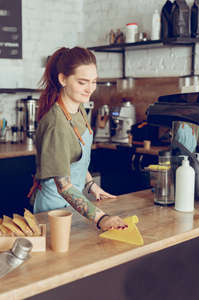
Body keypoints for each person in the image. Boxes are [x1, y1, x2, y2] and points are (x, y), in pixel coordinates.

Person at [28, 47, 127, 231]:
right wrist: (101, 218)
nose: (90, 89)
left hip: (73, 204)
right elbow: (64, 187)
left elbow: (75, 159)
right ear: (62, 79)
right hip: (53, 211)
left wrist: (91, 185)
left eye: (94, 82)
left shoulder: (78, 108)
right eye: (82, 82)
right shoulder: (56, 124)